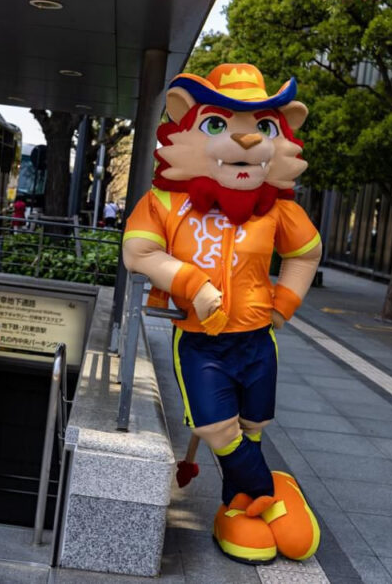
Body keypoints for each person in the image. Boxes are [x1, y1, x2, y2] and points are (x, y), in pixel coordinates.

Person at [122, 63, 321, 565]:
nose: (248, 141)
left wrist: (285, 302)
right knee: (216, 429)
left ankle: (239, 507)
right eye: (219, 124)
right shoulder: (164, 201)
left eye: (264, 127)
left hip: (256, 337)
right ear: (185, 122)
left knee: (253, 424)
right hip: (201, 338)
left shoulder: (276, 208)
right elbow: (138, 253)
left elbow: (306, 253)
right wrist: (190, 282)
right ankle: (273, 495)